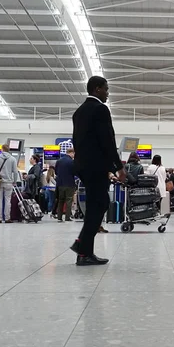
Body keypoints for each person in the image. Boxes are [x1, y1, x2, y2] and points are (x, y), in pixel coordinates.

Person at [70, 76, 126, 266]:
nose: (108, 93)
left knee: (97, 204)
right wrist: (118, 167)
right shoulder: (100, 109)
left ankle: (82, 247)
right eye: (106, 89)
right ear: (96, 89)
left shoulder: (78, 112)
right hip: (96, 166)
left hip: (83, 166)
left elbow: (75, 140)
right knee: (100, 203)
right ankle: (83, 250)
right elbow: (107, 141)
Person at [0, 144, 20, 224]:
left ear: (2, 149)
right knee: (8, 200)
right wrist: (15, 181)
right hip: (9, 182)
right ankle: (8, 218)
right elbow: (15, 172)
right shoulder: (12, 159)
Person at [55, 148, 76, 223]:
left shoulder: (59, 161)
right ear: (71, 153)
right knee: (69, 200)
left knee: (60, 200)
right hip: (70, 184)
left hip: (60, 184)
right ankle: (67, 217)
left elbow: (56, 172)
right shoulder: (72, 162)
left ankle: (59, 217)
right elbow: (75, 172)